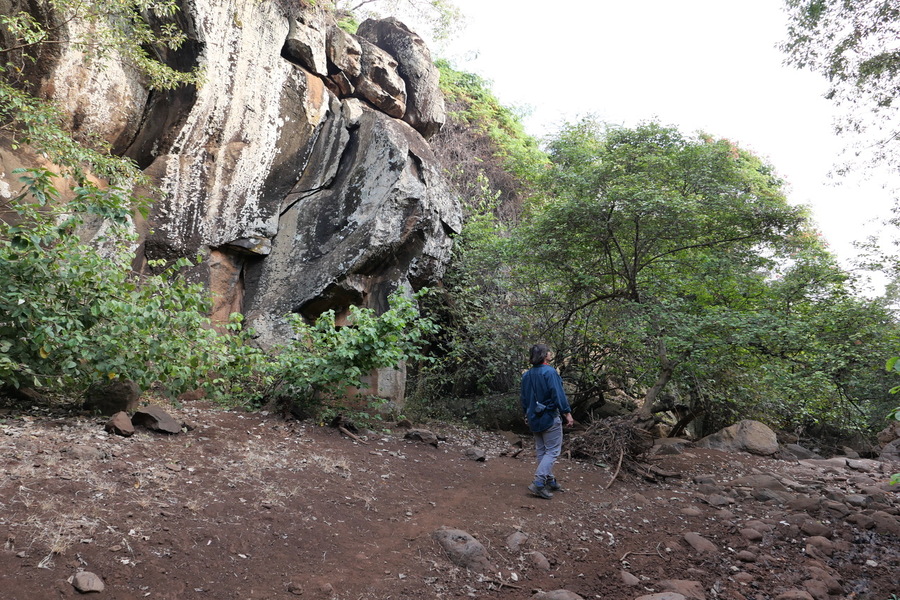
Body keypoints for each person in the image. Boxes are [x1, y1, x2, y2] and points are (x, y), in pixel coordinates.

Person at [520, 344, 574, 499]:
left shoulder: (526, 375)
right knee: (552, 451)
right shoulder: (550, 372)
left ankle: (550, 480)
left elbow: (524, 398)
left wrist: (526, 414)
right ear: (544, 355)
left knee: (542, 451)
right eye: (548, 351)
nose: (550, 353)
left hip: (533, 418)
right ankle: (538, 483)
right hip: (549, 417)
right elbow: (558, 394)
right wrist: (567, 414)